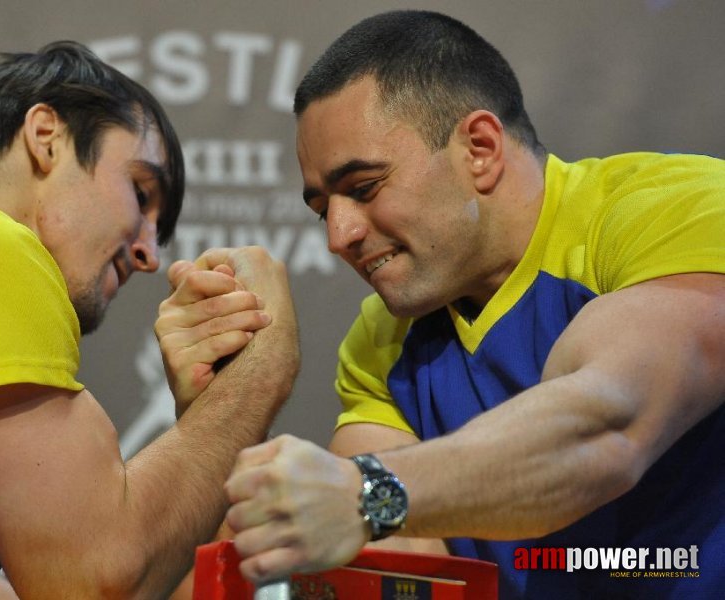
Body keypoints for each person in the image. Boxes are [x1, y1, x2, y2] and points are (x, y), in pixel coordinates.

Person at [183, 10, 723, 599]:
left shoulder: (678, 212)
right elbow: (385, 571)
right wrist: (237, 394)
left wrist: (364, 491)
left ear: (482, 148)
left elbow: (608, 428)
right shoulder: (383, 339)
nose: (339, 235)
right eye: (322, 208)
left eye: (363, 188)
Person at [0, 41, 299, 599]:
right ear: (46, 136)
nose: (150, 254)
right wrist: (258, 372)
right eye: (140, 192)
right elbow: (91, 582)